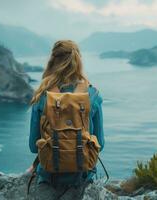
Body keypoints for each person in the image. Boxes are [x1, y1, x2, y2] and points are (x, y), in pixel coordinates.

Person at [28, 40, 104, 197]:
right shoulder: (92, 95)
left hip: (49, 178)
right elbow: (100, 144)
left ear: (53, 61)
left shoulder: (43, 96)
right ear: (78, 61)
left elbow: (33, 146)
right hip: (81, 179)